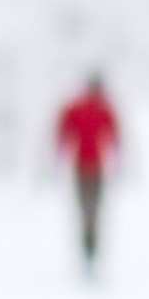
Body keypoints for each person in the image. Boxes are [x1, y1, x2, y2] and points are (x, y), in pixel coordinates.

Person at [54, 75, 121, 275]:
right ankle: (89, 250)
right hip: (89, 167)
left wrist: (59, 153)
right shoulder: (97, 108)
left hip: (87, 167)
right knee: (91, 211)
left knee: (88, 211)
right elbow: (115, 135)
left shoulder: (81, 108)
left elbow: (62, 132)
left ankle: (89, 250)